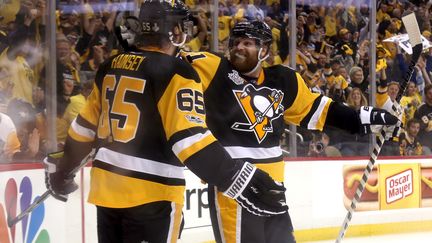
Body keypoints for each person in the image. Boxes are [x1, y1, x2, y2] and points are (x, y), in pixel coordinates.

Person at [43, 1, 287, 243]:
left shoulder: (111, 65)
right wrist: (240, 181)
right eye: (182, 25)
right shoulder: (177, 71)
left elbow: (84, 129)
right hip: (152, 196)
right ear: (174, 30)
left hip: (106, 192)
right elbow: (190, 141)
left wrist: (64, 170)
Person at [180, 20, 401, 243]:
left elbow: (321, 111)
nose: (239, 47)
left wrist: (365, 119)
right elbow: (169, 62)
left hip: (273, 190)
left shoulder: (283, 80)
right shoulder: (212, 68)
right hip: (234, 188)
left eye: (247, 43)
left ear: (264, 51)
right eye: (236, 42)